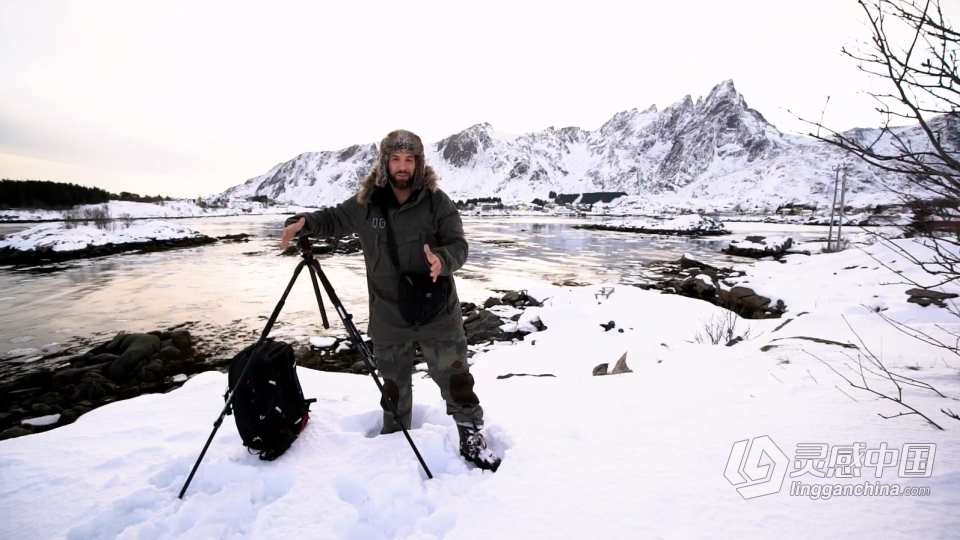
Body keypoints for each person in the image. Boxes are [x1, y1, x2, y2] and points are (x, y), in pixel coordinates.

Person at [280, 129, 501, 471]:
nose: (402, 166)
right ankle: (394, 441)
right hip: (388, 316)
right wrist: (305, 223)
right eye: (395, 159)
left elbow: (460, 246)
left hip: (437, 312)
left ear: (418, 163)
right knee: (394, 389)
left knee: (457, 381)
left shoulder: (436, 201)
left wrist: (442, 260)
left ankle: (471, 432)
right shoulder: (366, 204)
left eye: (409, 160)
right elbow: (333, 219)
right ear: (385, 163)